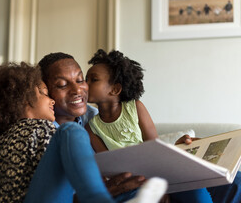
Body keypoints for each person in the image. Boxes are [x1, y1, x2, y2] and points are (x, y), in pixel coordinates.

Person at [38, 52, 241, 203]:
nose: (80, 89)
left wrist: (180, 150)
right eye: (62, 84)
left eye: (82, 80)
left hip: (158, 175)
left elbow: (154, 146)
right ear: (45, 91)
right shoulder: (52, 133)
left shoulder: (98, 113)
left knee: (234, 181)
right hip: (126, 187)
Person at [84, 49, 213, 202]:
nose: (85, 85)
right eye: (86, 79)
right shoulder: (90, 128)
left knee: (195, 188)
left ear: (115, 89)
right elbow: (110, 167)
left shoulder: (135, 108)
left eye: (93, 79)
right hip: (128, 184)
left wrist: (160, 186)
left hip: (156, 173)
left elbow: (155, 149)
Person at [0, 62, 116, 203]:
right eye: (44, 93)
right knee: (70, 130)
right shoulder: (38, 128)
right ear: (23, 99)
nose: (52, 101)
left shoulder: (8, 137)